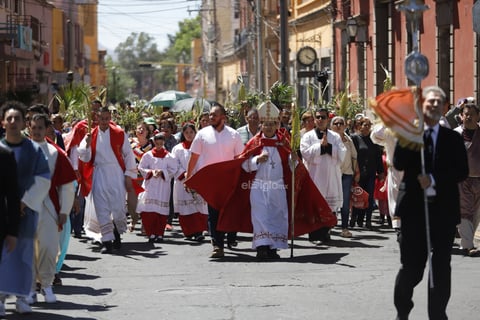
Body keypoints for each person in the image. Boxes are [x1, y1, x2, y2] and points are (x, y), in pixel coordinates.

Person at [185, 101, 338, 259]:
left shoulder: (284, 142)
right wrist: (257, 160)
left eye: (272, 124)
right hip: (259, 187)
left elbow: (293, 169)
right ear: (261, 125)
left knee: (277, 216)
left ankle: (273, 248)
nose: (269, 127)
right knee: (261, 217)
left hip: (278, 186)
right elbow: (244, 165)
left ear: (276, 124)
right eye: (266, 124)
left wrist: (293, 160)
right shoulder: (254, 143)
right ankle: (261, 247)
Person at [393, 86, 468, 320]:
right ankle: (402, 311)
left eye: (439, 102)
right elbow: (399, 162)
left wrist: (434, 178)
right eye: (429, 102)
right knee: (412, 268)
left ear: (446, 108)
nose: (434, 105)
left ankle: (438, 314)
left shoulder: (453, 138)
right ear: (422, 107)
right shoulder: (410, 134)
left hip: (443, 210)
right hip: (414, 210)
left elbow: (461, 171)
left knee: (441, 267)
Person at [0, 101, 51, 314]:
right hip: (1, 212)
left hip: (26, 211)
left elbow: (43, 178)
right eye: (9, 118)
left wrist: (24, 201)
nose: (13, 122)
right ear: (3, 122)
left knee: (23, 254)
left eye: (17, 119)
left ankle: (21, 297)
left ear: (24, 123)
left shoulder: (33, 150)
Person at [27, 113, 76, 304]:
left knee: (48, 247)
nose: (37, 131)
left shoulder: (55, 153)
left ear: (46, 129)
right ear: (29, 129)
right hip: (26, 209)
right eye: (34, 128)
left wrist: (64, 210)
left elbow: (65, 185)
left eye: (41, 127)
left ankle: (46, 284)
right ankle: (30, 288)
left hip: (48, 207)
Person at [185, 105, 244, 258]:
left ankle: (230, 237)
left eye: (215, 115)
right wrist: (188, 176)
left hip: (229, 180)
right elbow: (194, 157)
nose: (211, 118)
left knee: (228, 211)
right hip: (210, 181)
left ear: (223, 117)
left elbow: (239, 158)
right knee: (213, 212)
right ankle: (217, 245)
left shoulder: (234, 135)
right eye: (210, 115)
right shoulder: (202, 134)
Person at [77, 107, 137, 254]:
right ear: (97, 118)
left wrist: (129, 175)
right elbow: (84, 157)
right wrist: (86, 143)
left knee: (117, 205)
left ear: (110, 117)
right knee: (101, 207)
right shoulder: (92, 134)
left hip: (116, 173)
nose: (104, 121)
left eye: (106, 118)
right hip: (99, 173)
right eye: (101, 118)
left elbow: (128, 154)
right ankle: (106, 240)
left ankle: (116, 232)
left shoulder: (119, 133)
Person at [300, 108, 346, 242]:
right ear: (314, 120)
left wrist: (329, 147)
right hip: (314, 176)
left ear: (328, 119)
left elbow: (342, 154)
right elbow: (305, 153)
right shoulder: (308, 136)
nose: (320, 120)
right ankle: (314, 234)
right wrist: (320, 147)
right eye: (318, 117)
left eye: (323, 117)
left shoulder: (335, 136)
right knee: (314, 207)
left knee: (329, 207)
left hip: (331, 176)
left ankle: (326, 232)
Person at [137, 133, 177, 243]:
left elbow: (173, 170)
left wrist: (162, 172)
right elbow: (141, 167)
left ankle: (159, 233)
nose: (159, 146)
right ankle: (151, 233)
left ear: (164, 142)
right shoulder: (148, 155)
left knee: (161, 211)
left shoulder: (169, 156)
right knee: (149, 210)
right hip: (151, 185)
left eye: (161, 143)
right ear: (154, 142)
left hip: (163, 186)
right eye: (157, 143)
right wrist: (151, 172)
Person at [172, 123, 208, 242]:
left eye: (191, 132)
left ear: (195, 133)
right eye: (186, 133)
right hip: (182, 181)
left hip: (197, 180)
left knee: (197, 207)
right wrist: (185, 174)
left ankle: (198, 231)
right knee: (185, 208)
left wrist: (195, 175)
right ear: (183, 134)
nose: (189, 135)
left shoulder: (200, 147)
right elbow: (173, 164)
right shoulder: (177, 149)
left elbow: (203, 162)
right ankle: (188, 231)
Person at [454, 102, 480, 257]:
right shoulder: (456, 134)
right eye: (466, 114)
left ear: (478, 116)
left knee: (476, 213)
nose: (468, 117)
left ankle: (466, 242)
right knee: (465, 212)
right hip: (462, 181)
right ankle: (469, 244)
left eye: (472, 114)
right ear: (461, 116)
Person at [350, 116, 384, 228]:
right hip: (358, 173)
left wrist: (381, 172)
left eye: (369, 125)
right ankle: (355, 218)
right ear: (360, 126)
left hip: (370, 172)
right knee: (358, 196)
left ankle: (367, 220)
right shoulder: (354, 138)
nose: (367, 127)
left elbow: (378, 157)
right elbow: (351, 156)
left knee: (369, 197)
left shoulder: (373, 140)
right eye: (365, 125)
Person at [370, 123, 404, 229]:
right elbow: (375, 136)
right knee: (395, 197)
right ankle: (398, 226)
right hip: (395, 169)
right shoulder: (390, 129)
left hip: (414, 170)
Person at [330, 115, 357, 237]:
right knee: (331, 200)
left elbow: (354, 157)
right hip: (332, 174)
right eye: (336, 123)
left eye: (341, 123)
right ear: (331, 126)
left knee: (345, 201)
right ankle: (329, 226)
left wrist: (357, 171)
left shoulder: (348, 139)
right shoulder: (329, 139)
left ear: (345, 126)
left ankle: (344, 228)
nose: (339, 126)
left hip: (346, 174)